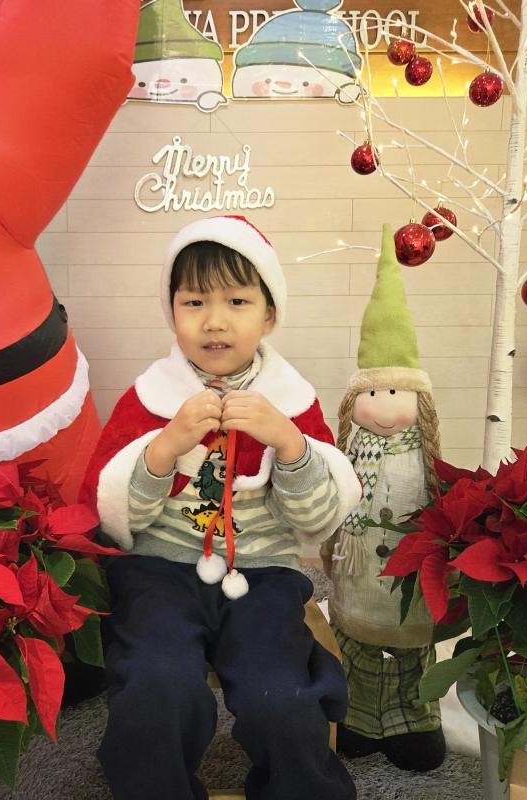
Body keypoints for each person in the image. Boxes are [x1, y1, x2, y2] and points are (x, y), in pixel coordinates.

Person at [80, 215, 362, 800]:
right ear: (172, 313)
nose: (214, 321)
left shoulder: (291, 402)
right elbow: (112, 515)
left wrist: (290, 445)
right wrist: (164, 448)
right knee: (155, 683)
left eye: (237, 301)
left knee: (279, 692)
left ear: (269, 314)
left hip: (263, 576)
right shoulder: (149, 397)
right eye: (194, 302)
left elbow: (317, 522)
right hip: (158, 571)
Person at [320, 225, 446, 772]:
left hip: (412, 586)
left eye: (395, 392)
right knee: (358, 651)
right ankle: (358, 719)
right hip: (359, 585)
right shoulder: (348, 452)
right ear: (355, 398)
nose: (383, 405)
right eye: (372, 392)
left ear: (418, 399)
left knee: (413, 656)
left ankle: (415, 721)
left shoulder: (427, 458)